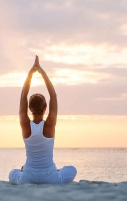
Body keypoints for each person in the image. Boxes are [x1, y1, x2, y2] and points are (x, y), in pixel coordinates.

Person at [9, 55, 77, 185]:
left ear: (29, 108)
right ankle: (57, 171)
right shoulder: (50, 125)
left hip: (28, 176)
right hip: (50, 176)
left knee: (12, 173)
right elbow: (53, 95)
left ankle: (24, 171)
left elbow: (23, 95)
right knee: (72, 169)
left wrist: (31, 73)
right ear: (45, 107)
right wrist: (41, 72)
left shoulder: (25, 125)